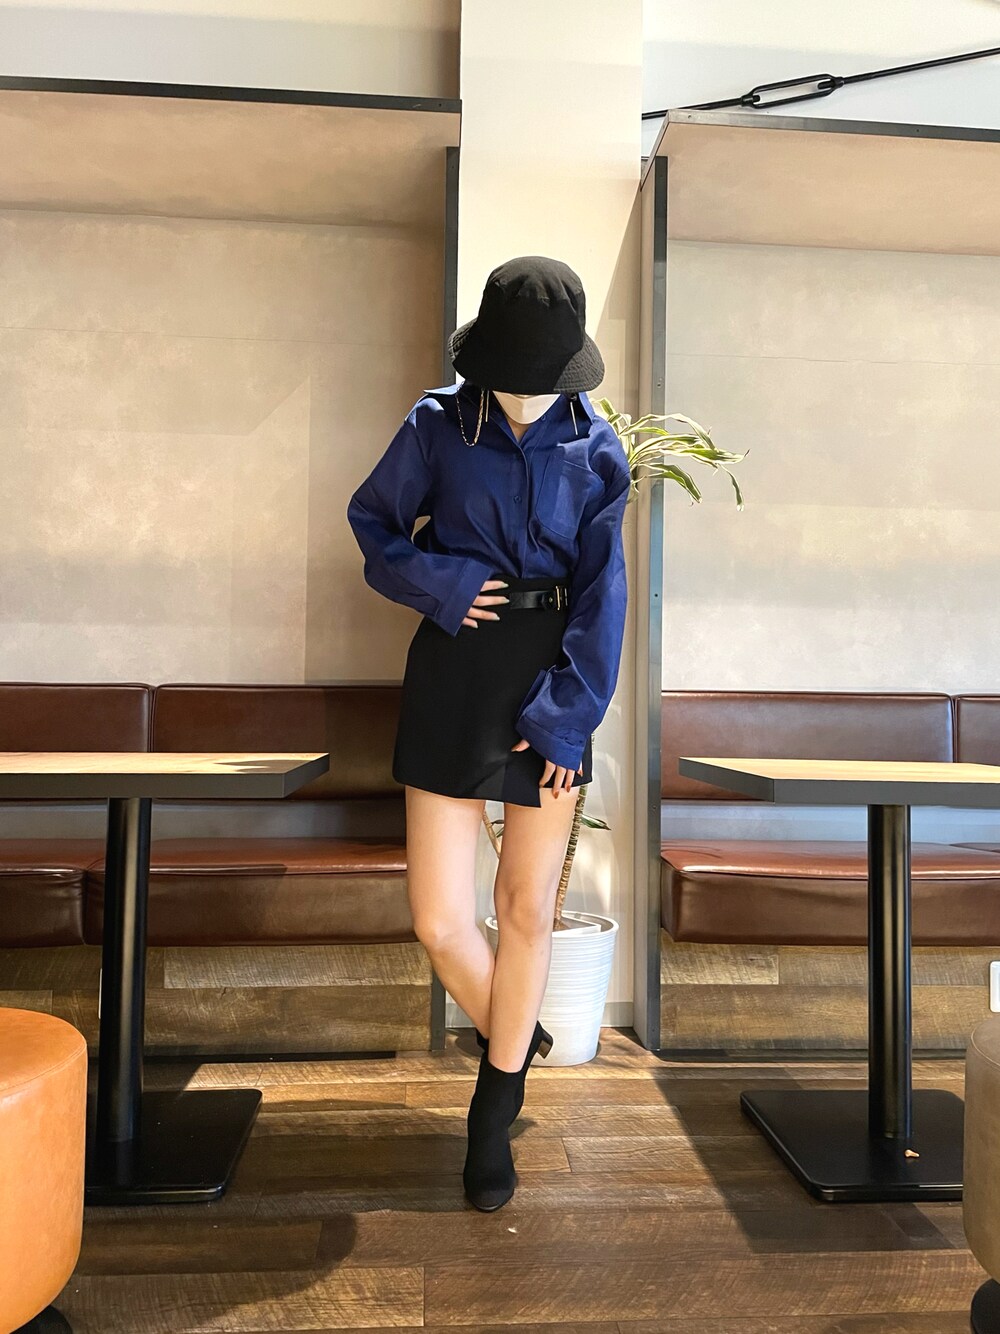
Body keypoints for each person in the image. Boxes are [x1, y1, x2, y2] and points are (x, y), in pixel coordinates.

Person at [346, 255, 631, 1212]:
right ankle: (517, 1036)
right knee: (437, 917)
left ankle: (491, 1109)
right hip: (454, 670)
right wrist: (445, 581)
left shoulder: (596, 448)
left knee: (526, 910)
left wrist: (564, 720)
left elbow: (603, 600)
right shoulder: (436, 423)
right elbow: (374, 523)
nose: (527, 393)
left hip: (554, 680)